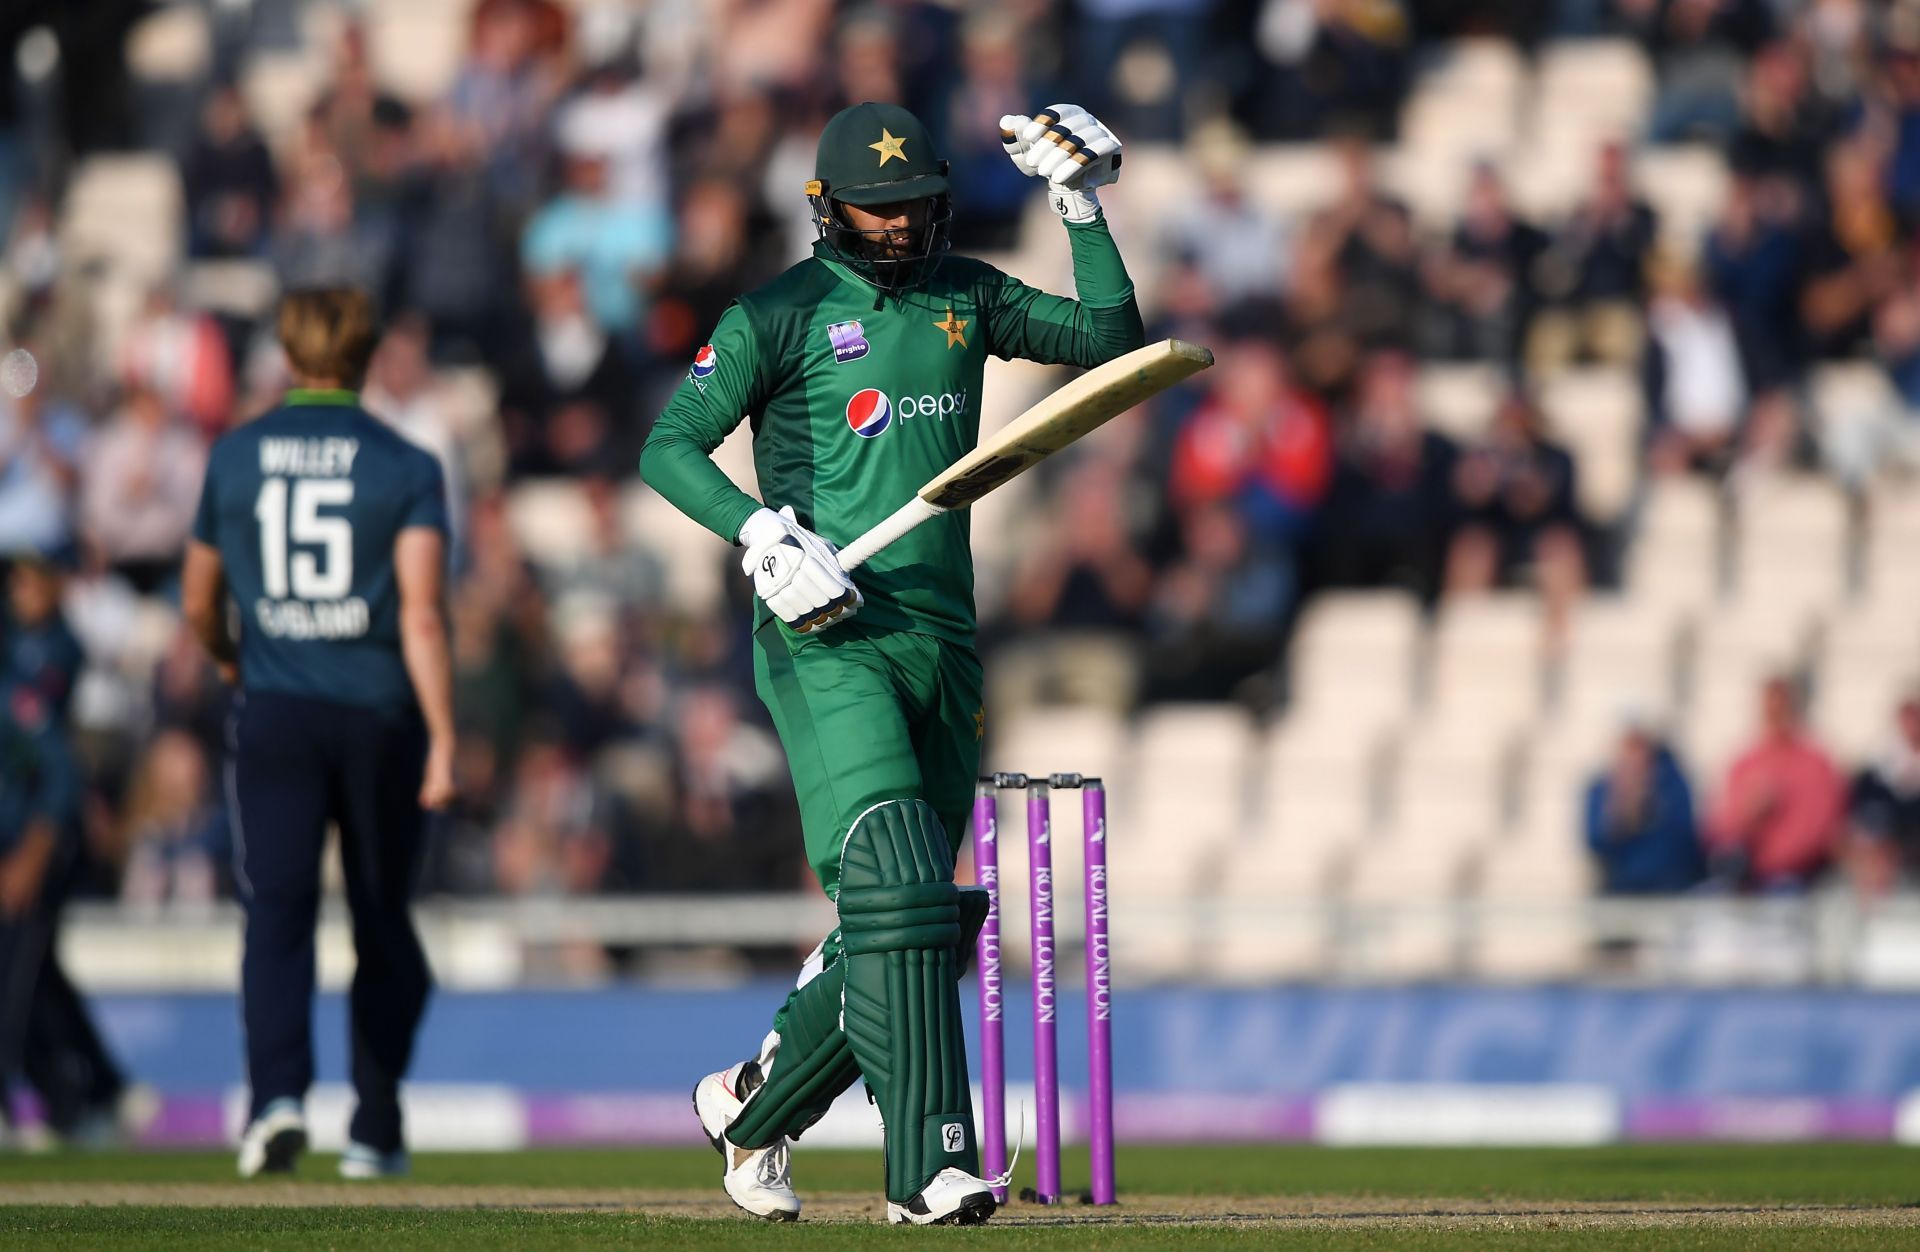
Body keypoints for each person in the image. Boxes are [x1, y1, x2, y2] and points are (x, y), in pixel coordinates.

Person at [641, 100, 1142, 1225]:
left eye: (919, 208)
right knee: (902, 888)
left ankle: (752, 1107)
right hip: (827, 632)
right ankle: (927, 1168)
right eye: (881, 210)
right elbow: (666, 446)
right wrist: (762, 535)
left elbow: (1112, 346)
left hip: (942, 636)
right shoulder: (780, 312)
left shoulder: (967, 291)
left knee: (909, 917)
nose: (903, 230)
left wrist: (1080, 206)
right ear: (825, 207)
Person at [181, 289, 455, 1180]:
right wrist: (446, 738)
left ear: (288, 354)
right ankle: (375, 1125)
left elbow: (198, 600)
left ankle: (274, 1102)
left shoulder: (235, 453)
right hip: (378, 713)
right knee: (382, 920)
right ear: (368, 352)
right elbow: (420, 616)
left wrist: (231, 655)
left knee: (277, 910)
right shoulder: (406, 461)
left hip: (277, 711)